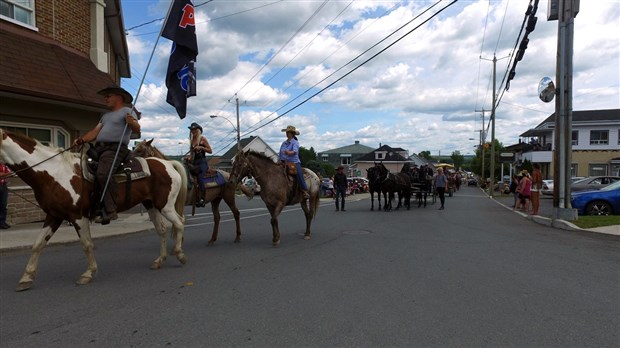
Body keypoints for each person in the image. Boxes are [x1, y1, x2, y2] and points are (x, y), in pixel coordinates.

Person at [73, 85, 140, 224]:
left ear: (119, 97)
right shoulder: (105, 116)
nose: (106, 98)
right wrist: (82, 139)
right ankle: (92, 206)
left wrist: (131, 123)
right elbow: (94, 132)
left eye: (109, 96)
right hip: (99, 149)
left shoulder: (127, 111)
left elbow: (137, 128)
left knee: (103, 173)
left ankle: (111, 210)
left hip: (115, 149)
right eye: (106, 96)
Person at [278, 125, 309, 199]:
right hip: (283, 162)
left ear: (292, 134)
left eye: (288, 132)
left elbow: (295, 151)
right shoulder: (284, 143)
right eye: (286, 132)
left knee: (299, 174)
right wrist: (279, 160)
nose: (287, 133)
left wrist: (288, 152)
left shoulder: (295, 142)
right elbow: (280, 153)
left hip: (294, 162)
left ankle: (304, 191)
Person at [186, 122, 212, 207]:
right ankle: (192, 195)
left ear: (198, 130)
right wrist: (188, 158)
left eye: (194, 130)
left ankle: (202, 199)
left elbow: (210, 150)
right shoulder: (192, 141)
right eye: (192, 130)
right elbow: (191, 155)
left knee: (200, 178)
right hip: (195, 162)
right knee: (187, 174)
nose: (193, 131)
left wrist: (201, 147)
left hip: (202, 162)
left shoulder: (202, 139)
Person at [0, 162, 11, 229]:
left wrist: (3, 175)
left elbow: (10, 173)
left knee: (3, 205)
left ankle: (2, 223)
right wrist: (4, 175)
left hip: (3, 186)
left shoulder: (4, 165)